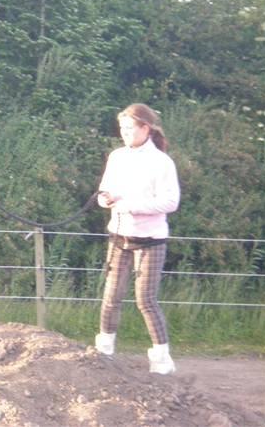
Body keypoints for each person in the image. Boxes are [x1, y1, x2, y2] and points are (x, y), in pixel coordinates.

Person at [95, 103, 180, 374]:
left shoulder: (162, 162)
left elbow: (170, 202)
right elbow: (102, 192)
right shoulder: (117, 157)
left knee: (145, 300)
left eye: (130, 128)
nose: (125, 133)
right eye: (122, 128)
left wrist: (130, 205)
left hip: (150, 238)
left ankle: (161, 359)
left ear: (146, 128)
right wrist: (104, 199)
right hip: (119, 235)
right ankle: (104, 351)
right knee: (111, 296)